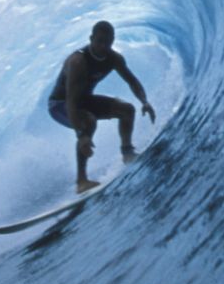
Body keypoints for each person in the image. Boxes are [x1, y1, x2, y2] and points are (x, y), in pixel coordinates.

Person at [48, 20, 156, 192]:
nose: (103, 46)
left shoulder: (114, 59)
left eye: (108, 42)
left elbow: (132, 81)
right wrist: (81, 134)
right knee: (88, 121)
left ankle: (127, 153)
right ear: (91, 39)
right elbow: (72, 102)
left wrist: (144, 101)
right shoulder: (78, 61)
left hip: (84, 99)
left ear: (113, 41)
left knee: (127, 109)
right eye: (99, 41)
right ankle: (81, 181)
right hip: (60, 105)